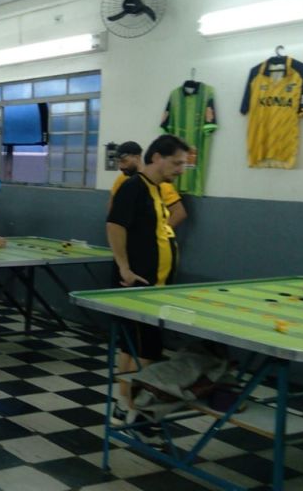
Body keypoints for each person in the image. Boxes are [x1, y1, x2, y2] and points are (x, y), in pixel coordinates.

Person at [106, 134, 190, 435]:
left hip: (154, 286)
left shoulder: (156, 189)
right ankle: (139, 413)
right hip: (138, 285)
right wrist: (124, 267)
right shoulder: (134, 187)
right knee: (147, 352)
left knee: (132, 348)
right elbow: (114, 225)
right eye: (176, 163)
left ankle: (125, 406)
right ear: (156, 157)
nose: (181, 169)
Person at [110, 141, 187, 229]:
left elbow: (179, 213)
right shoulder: (122, 179)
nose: (121, 166)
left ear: (137, 158)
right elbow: (112, 205)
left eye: (124, 161)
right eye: (119, 162)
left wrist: (161, 233)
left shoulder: (159, 182)